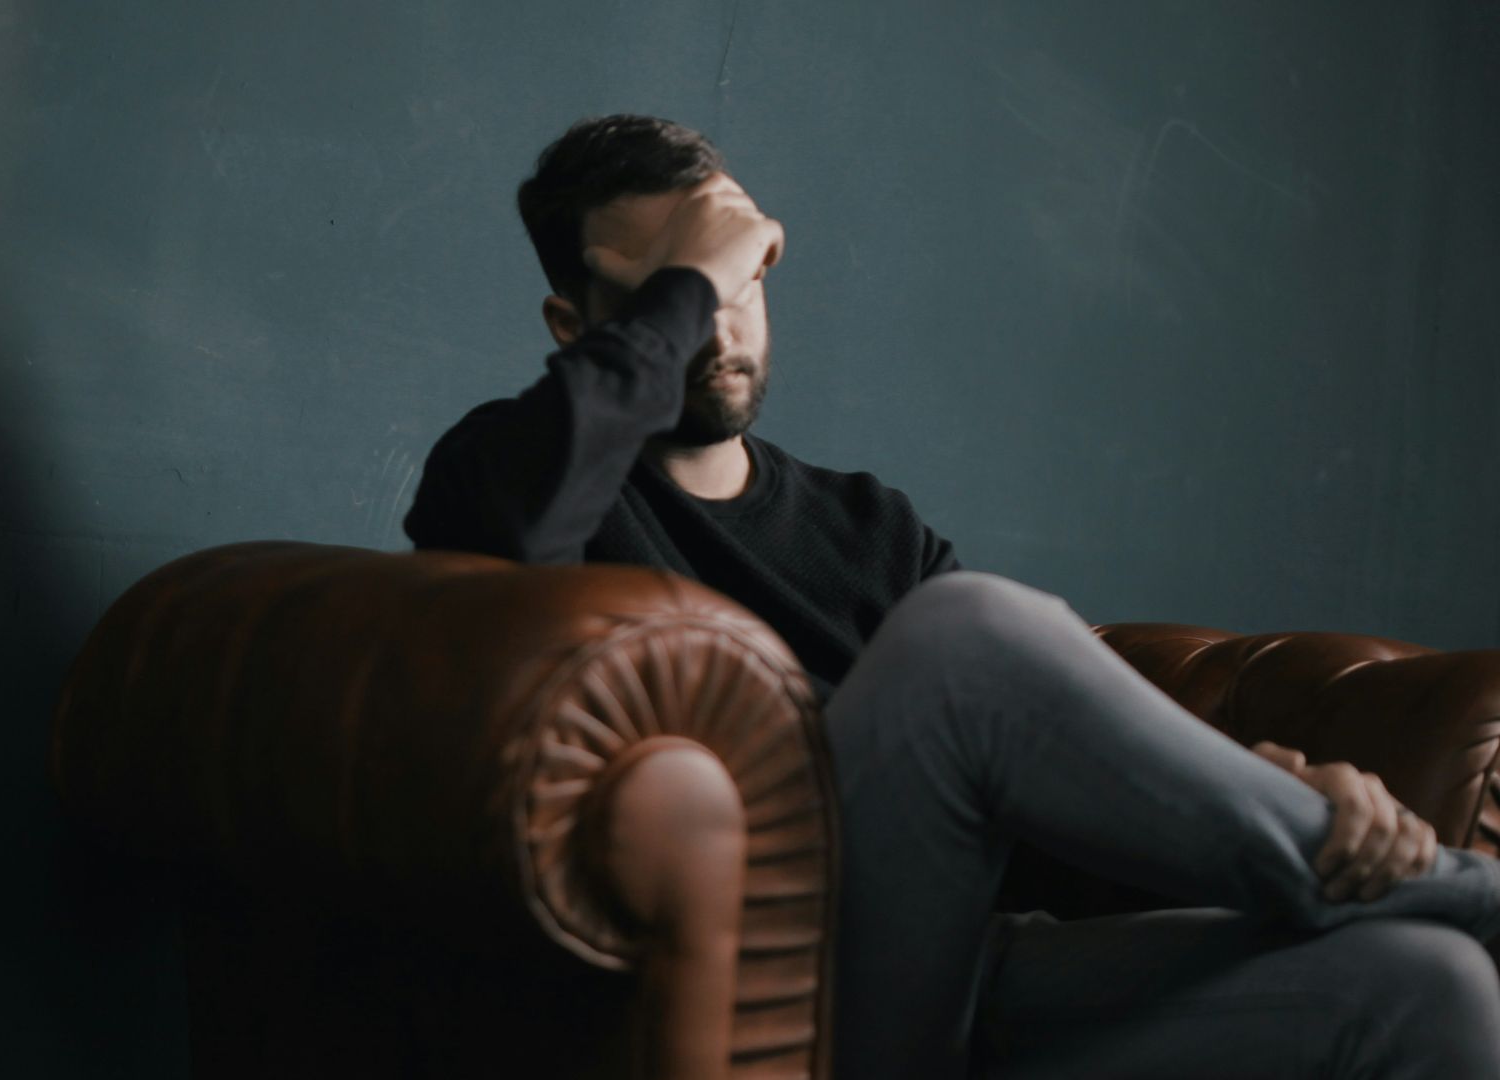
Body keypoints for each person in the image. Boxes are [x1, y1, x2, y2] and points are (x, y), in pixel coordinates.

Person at [402, 114, 1500, 1078]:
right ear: (574, 327)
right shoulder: (507, 470)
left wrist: (1243, 792)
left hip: (957, 984)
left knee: (1429, 982)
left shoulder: (868, 525)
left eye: (741, 285)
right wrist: (692, 279)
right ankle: (1461, 890)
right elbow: (517, 533)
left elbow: (1039, 798)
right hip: (764, 999)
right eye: (673, 299)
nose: (720, 329)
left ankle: (1404, 892)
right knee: (966, 634)